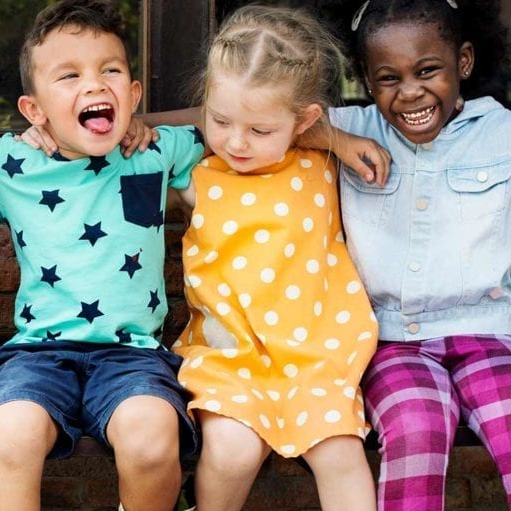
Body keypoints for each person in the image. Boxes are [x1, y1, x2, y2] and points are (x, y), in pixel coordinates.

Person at [0, 2, 207, 509]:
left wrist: (145, 122)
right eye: (69, 75)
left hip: (133, 356)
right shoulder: (9, 160)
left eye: (110, 71)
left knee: (151, 438)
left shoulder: (154, 150)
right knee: (10, 432)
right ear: (34, 109)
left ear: (133, 93)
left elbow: (232, 118)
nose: (94, 85)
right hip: (37, 354)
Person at [156, 6, 379, 510]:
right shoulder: (198, 177)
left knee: (342, 455)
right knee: (231, 452)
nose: (236, 142)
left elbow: (326, 129)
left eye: (259, 131)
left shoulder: (325, 162)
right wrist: (134, 125)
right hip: (231, 357)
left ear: (305, 122)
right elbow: (136, 145)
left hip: (317, 358)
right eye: (221, 121)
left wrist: (336, 139)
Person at [330, 1, 511, 509]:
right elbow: (252, 115)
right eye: (389, 78)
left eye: (427, 70)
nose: (409, 91)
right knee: (415, 428)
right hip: (393, 342)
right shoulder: (352, 128)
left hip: (490, 335)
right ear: (366, 80)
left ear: (464, 61)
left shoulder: (502, 133)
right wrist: (331, 137)